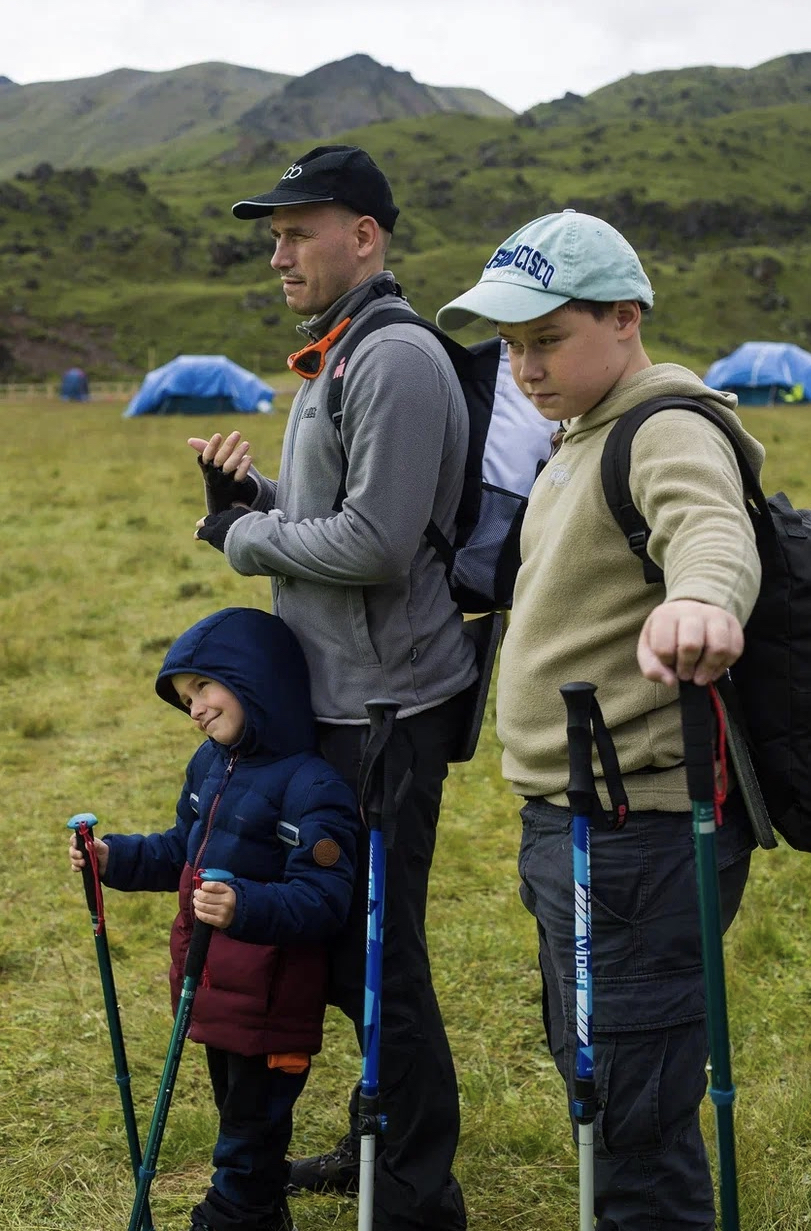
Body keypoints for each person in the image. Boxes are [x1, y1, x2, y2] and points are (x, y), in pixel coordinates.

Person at [436, 209, 763, 1231]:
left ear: (624, 319)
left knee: (632, 1102)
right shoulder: (578, 435)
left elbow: (705, 523)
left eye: (545, 337)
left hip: (639, 832)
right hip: (575, 819)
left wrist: (700, 597)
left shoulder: (662, 427)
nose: (523, 366)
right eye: (509, 342)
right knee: (595, 1063)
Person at [187, 145, 476, 1231]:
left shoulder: (393, 358)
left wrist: (243, 534)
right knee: (341, 935)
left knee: (378, 946)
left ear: (365, 235)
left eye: (298, 231)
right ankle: (383, 1135)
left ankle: (413, 1189)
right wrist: (253, 491)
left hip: (387, 709)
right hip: (343, 698)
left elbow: (376, 542)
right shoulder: (339, 355)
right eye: (272, 235)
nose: (278, 254)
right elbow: (335, 509)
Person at [68, 606, 359, 1231]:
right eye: (184, 698)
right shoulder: (211, 766)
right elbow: (180, 850)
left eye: (204, 687)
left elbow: (326, 898)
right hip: (215, 985)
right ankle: (261, 1205)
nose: (194, 707)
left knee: (250, 1128)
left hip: (273, 998)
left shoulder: (313, 786)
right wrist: (112, 858)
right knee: (237, 1113)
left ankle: (235, 1215)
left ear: (257, 678)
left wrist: (246, 905)